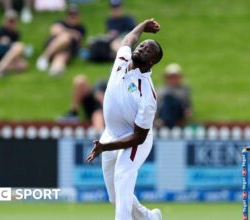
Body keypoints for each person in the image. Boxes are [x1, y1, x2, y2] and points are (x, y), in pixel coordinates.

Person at [87, 19, 163, 220]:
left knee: (122, 179)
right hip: (110, 135)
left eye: (147, 50)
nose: (141, 48)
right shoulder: (122, 60)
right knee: (116, 198)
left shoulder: (147, 96)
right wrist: (143, 25)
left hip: (134, 141)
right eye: (142, 45)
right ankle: (149, 218)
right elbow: (129, 39)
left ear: (151, 62)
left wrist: (105, 147)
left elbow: (138, 138)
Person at [36, 5, 86, 76]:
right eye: (71, 15)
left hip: (67, 50)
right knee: (65, 38)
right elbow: (54, 30)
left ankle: (54, 70)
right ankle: (44, 57)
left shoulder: (81, 28)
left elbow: (79, 39)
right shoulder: (60, 22)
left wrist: (64, 31)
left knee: (61, 56)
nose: (73, 17)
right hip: (53, 46)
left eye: (75, 15)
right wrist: (71, 33)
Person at [0, 10, 28, 77]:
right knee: (19, 46)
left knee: (24, 65)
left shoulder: (16, 34)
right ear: (5, 21)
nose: (11, 23)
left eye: (13, 21)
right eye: (10, 21)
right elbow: (2, 42)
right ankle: (1, 69)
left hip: (9, 53)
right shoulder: (0, 30)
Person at [156, 63, 192, 128]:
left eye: (175, 77)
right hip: (163, 113)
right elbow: (157, 106)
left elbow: (188, 106)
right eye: (170, 77)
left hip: (178, 114)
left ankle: (166, 122)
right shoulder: (160, 90)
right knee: (167, 98)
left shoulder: (184, 90)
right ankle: (166, 121)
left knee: (169, 98)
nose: (173, 79)